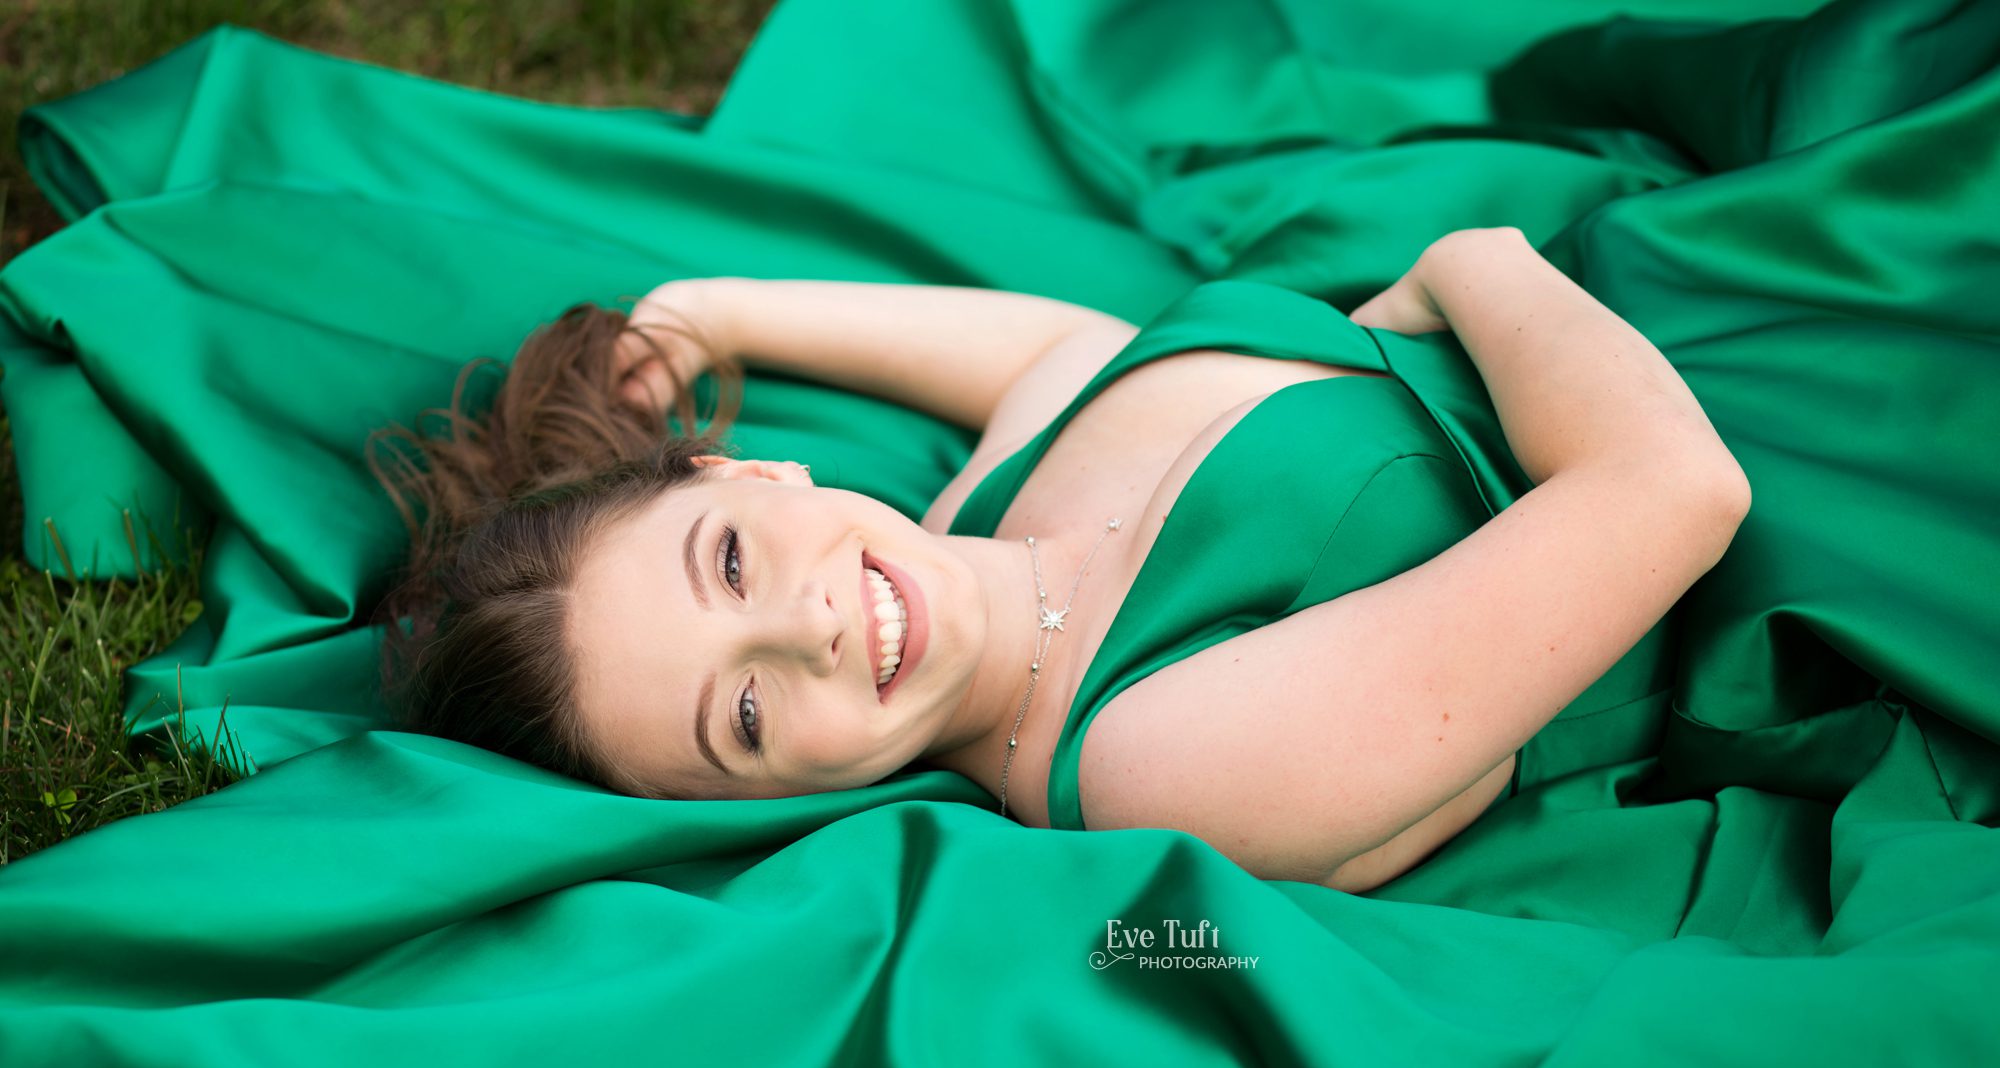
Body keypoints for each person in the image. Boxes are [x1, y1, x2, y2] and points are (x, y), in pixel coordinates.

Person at [366, 226, 1751, 892]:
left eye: (729, 561)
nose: (809, 630)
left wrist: (716, 312)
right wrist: (1468, 266)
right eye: (743, 712)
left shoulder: (993, 506)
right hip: (1807, 505)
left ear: (749, 471)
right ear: (761, 797)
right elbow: (1676, 488)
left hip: (1673, 315)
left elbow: (1057, 354)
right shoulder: (1156, 752)